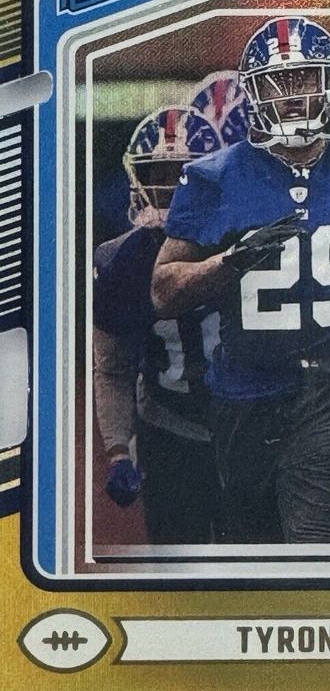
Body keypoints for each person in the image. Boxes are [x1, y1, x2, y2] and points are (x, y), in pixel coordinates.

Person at [152, 16, 330, 544]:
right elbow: (163, 291)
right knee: (253, 555)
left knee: (318, 556)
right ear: (255, 92)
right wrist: (229, 262)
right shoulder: (213, 177)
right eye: (278, 81)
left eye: (305, 78)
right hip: (243, 394)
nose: (294, 94)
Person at [93, 91, 248, 544]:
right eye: (156, 174)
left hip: (250, 424)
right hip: (170, 426)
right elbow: (113, 367)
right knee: (177, 564)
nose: (167, 188)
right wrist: (119, 452)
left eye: (183, 174)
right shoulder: (121, 259)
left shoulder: (250, 236)